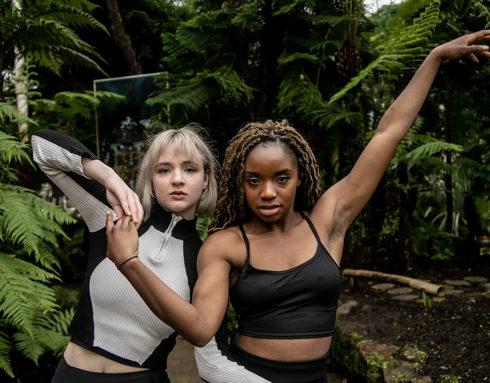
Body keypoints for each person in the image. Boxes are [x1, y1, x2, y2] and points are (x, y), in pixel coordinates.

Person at [105, 31, 490, 382]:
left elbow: (388, 131)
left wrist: (434, 58)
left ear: (300, 177)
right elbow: (202, 326)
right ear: (240, 184)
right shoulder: (226, 245)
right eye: (254, 181)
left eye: (281, 179)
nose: (268, 192)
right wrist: (130, 264)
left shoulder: (328, 220)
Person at [31, 126, 269, 383]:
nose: (177, 179)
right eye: (164, 169)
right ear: (151, 178)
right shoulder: (115, 217)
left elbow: (213, 359)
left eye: (189, 169)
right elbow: (41, 147)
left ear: (206, 179)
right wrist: (108, 177)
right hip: (72, 375)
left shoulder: (205, 259)